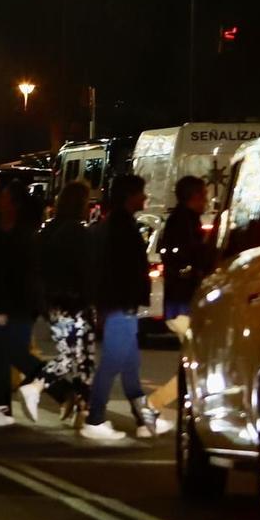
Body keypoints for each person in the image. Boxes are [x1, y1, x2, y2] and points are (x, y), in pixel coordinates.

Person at [82, 174, 161, 441]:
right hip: (120, 303)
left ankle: (144, 419)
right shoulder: (121, 228)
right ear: (130, 196)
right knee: (113, 363)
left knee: (130, 366)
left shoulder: (114, 224)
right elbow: (119, 270)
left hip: (117, 303)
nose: (145, 197)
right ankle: (95, 418)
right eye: (141, 193)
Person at [0, 175, 46, 427]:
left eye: (2, 198)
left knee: (14, 353)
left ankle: (60, 386)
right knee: (2, 356)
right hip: (2, 301)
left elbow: (25, 273)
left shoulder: (24, 234)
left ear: (13, 204)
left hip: (20, 302)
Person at [39, 180, 98, 427]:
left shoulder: (49, 230)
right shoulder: (78, 233)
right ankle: (81, 406)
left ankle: (69, 397)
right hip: (75, 300)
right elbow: (85, 271)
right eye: (87, 202)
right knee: (81, 357)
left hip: (54, 301)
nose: (90, 207)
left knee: (69, 353)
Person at [157, 174, 215, 325]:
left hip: (178, 288)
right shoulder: (185, 221)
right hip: (184, 290)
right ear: (195, 196)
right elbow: (190, 252)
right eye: (204, 195)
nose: (206, 200)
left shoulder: (179, 219)